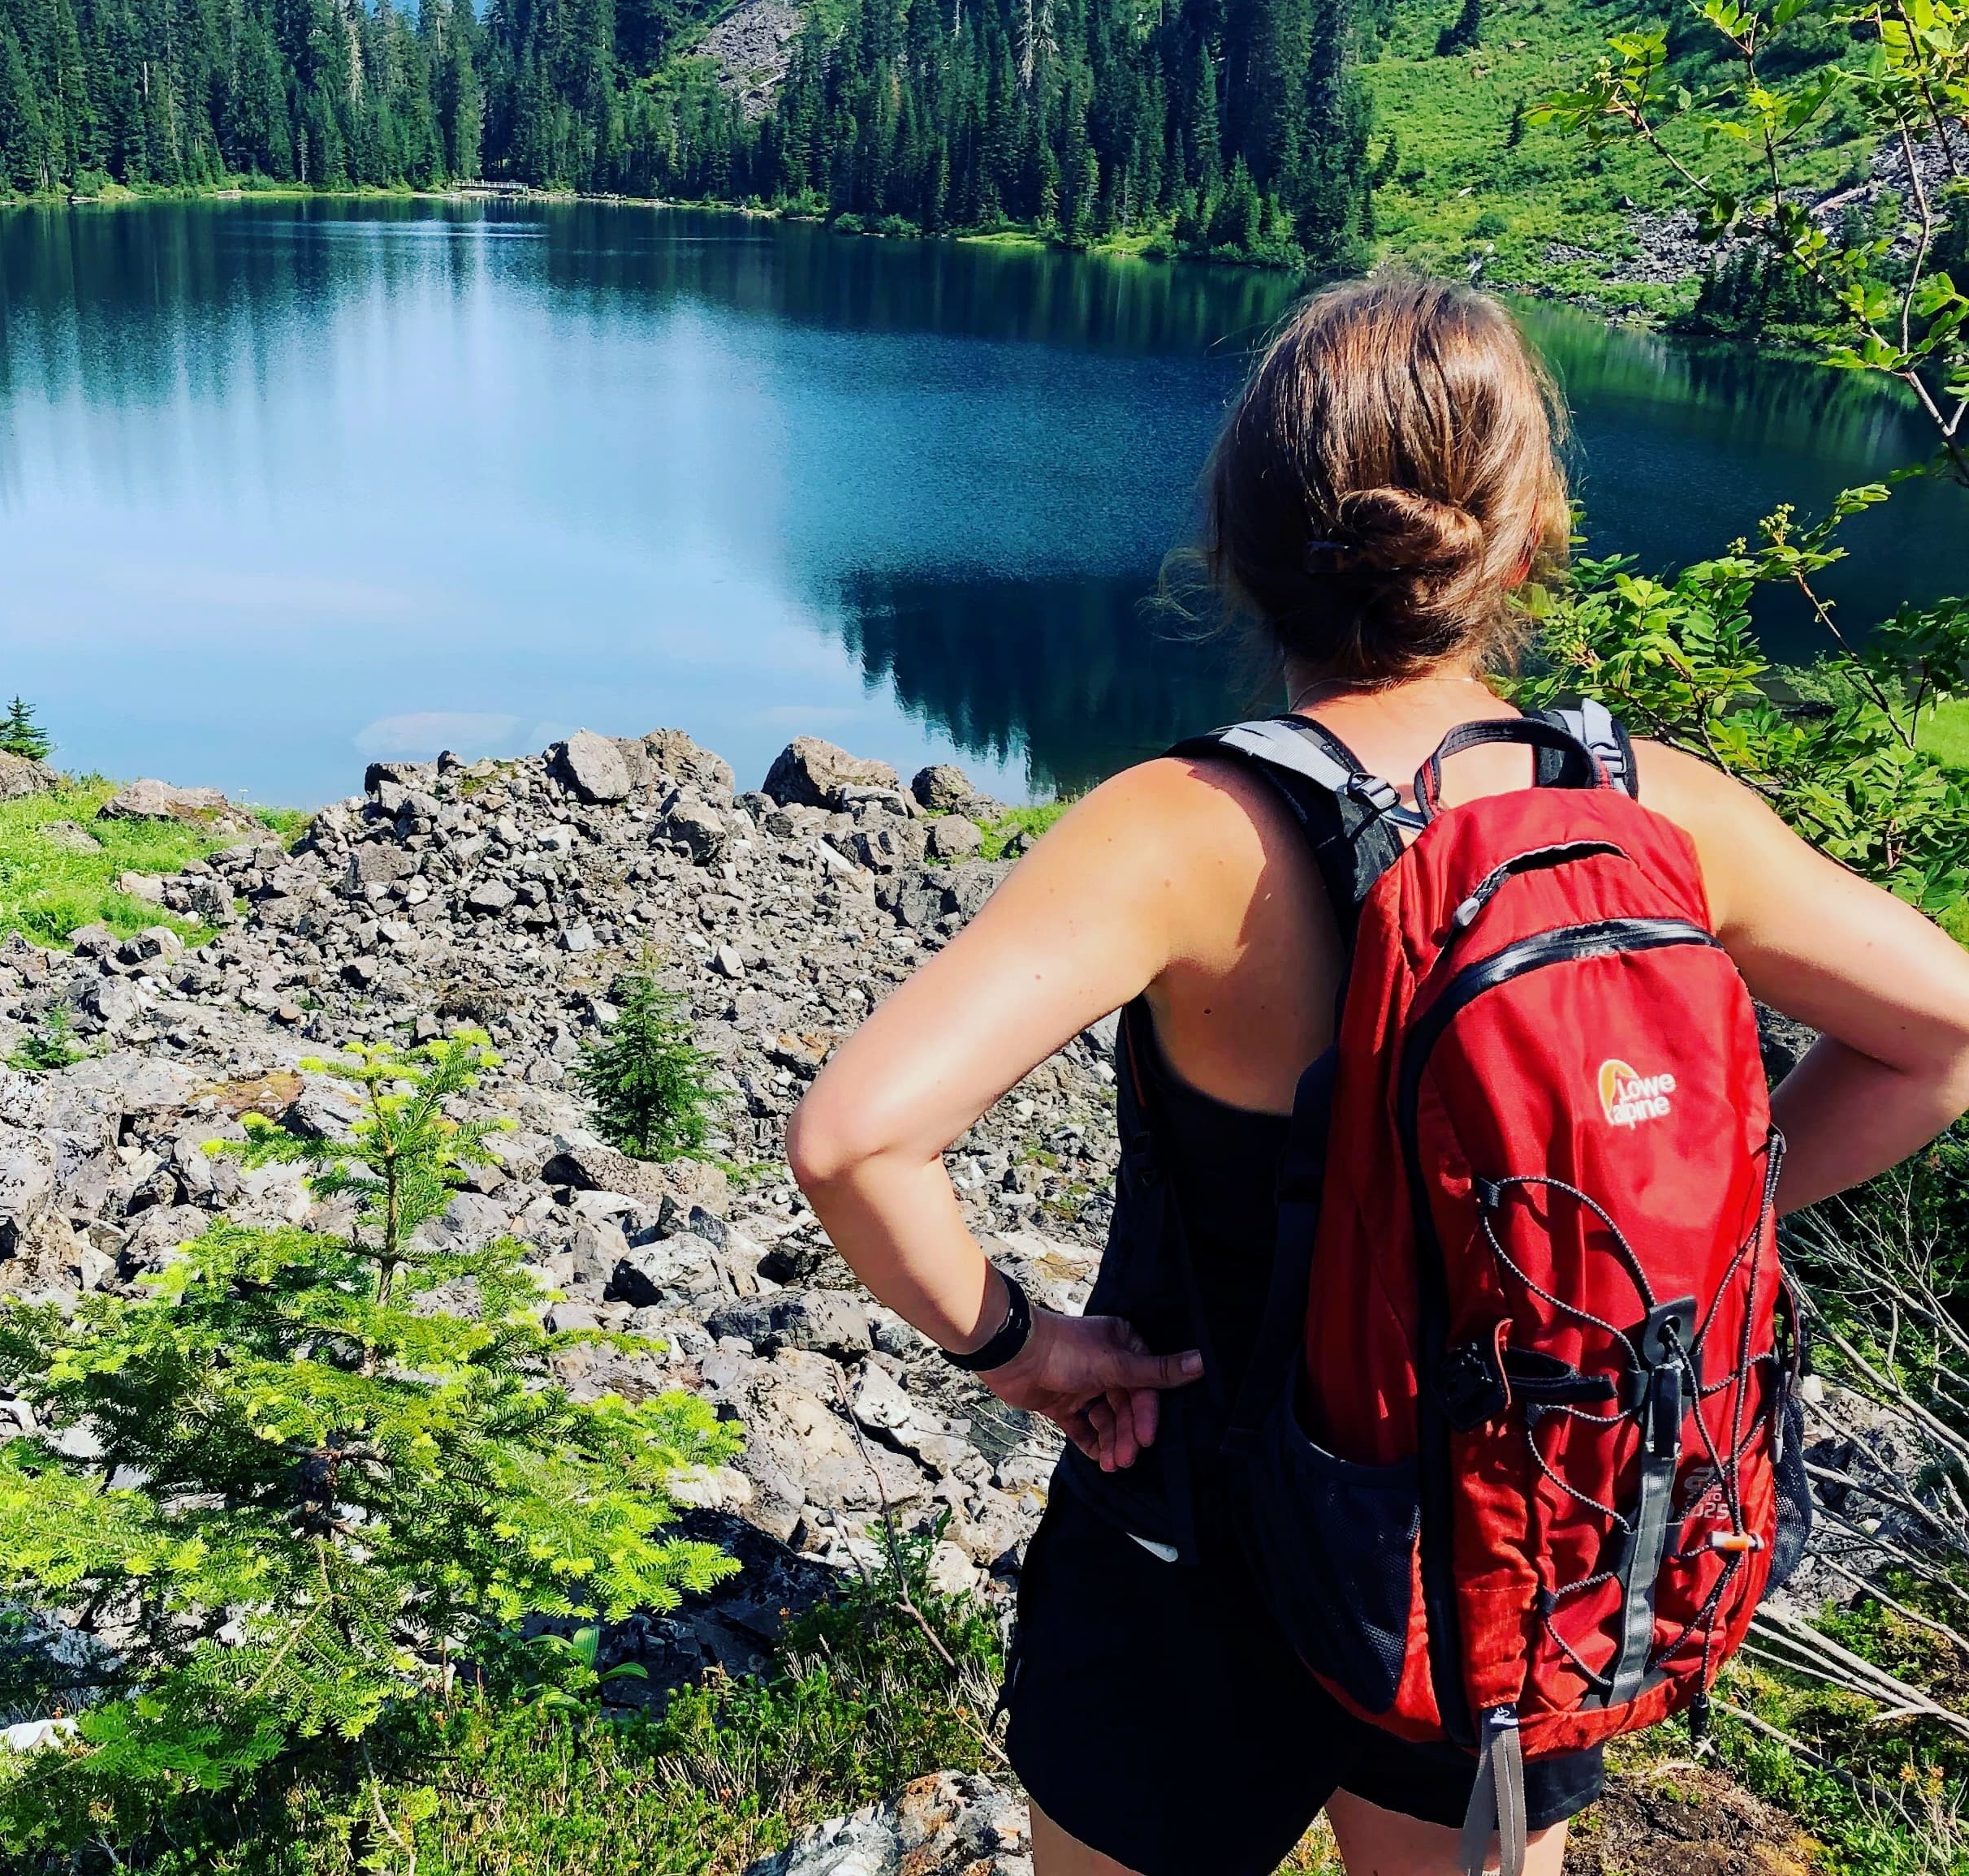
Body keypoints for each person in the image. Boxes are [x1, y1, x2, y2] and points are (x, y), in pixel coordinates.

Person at [786, 276, 1969, 1876]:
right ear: (1528, 536)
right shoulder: (1649, 813)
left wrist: (1026, 1348)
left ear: (1239, 543)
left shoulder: (1182, 833)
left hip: (1186, 1542)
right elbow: (1938, 1038)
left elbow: (858, 1142)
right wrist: (1701, 1219)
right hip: (1513, 1533)